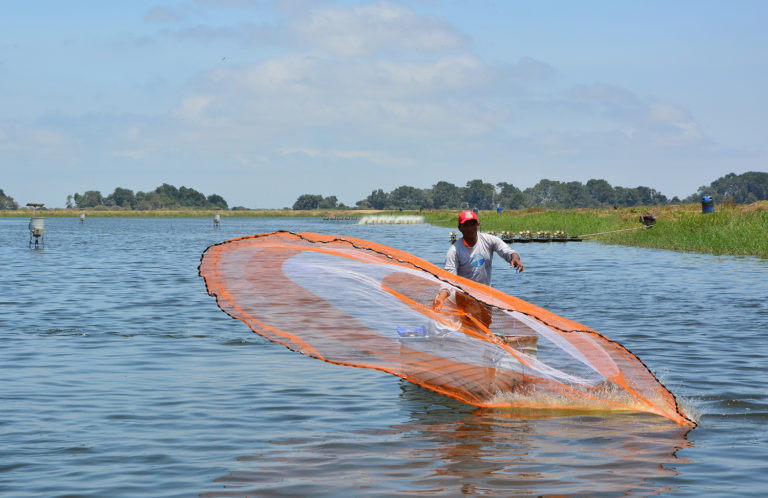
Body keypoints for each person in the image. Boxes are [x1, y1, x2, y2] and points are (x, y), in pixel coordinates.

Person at [432, 210, 523, 330]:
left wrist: (514, 258)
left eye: (472, 224)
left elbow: (507, 251)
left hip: (485, 294)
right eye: (466, 225)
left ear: (478, 225)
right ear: (460, 228)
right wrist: (441, 297)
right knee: (470, 328)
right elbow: (449, 278)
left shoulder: (490, 240)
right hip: (465, 297)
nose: (470, 228)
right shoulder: (454, 250)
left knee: (485, 326)